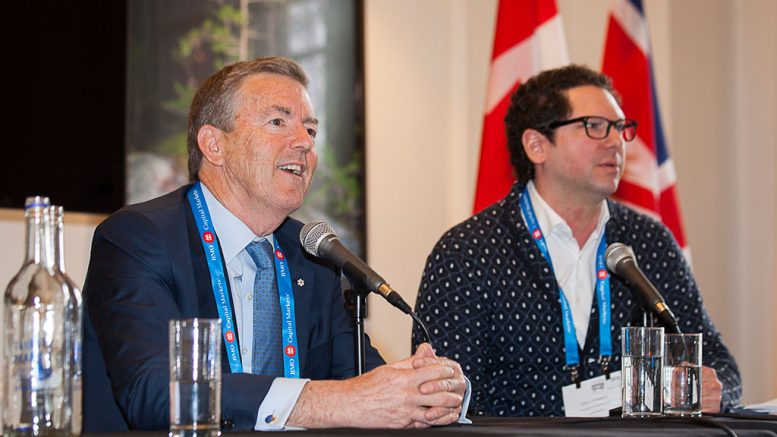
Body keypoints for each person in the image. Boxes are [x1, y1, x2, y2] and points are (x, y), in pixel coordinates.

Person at [83, 56, 468, 432]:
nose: (303, 142)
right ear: (214, 145)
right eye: (277, 121)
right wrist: (331, 401)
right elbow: (155, 394)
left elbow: (365, 385)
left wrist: (427, 391)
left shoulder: (311, 256)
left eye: (311, 130)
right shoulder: (139, 238)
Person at [412, 65, 741, 417]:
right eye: (595, 127)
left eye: (619, 128)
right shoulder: (468, 252)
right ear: (537, 145)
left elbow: (721, 367)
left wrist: (711, 388)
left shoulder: (649, 242)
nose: (616, 142)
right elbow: (440, 394)